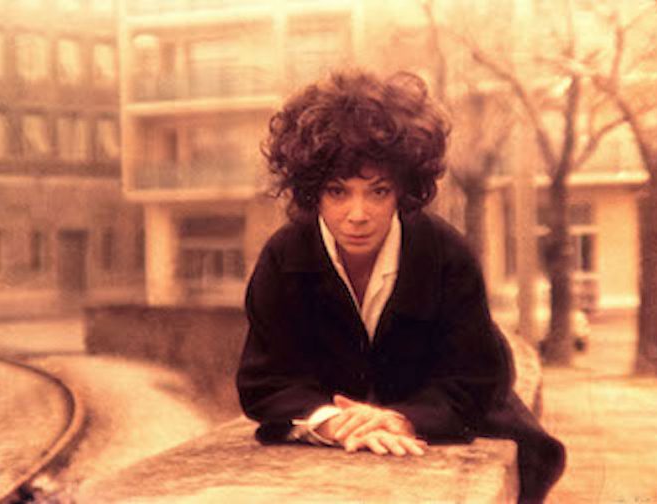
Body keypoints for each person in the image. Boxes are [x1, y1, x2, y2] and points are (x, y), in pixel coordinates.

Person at [236, 70, 565, 503]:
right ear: (312, 192)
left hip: (442, 421)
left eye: (378, 192)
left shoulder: (447, 254)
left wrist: (403, 419)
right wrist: (332, 422)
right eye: (338, 192)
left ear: (403, 190)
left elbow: (473, 381)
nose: (358, 214)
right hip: (342, 437)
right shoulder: (284, 258)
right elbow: (265, 381)